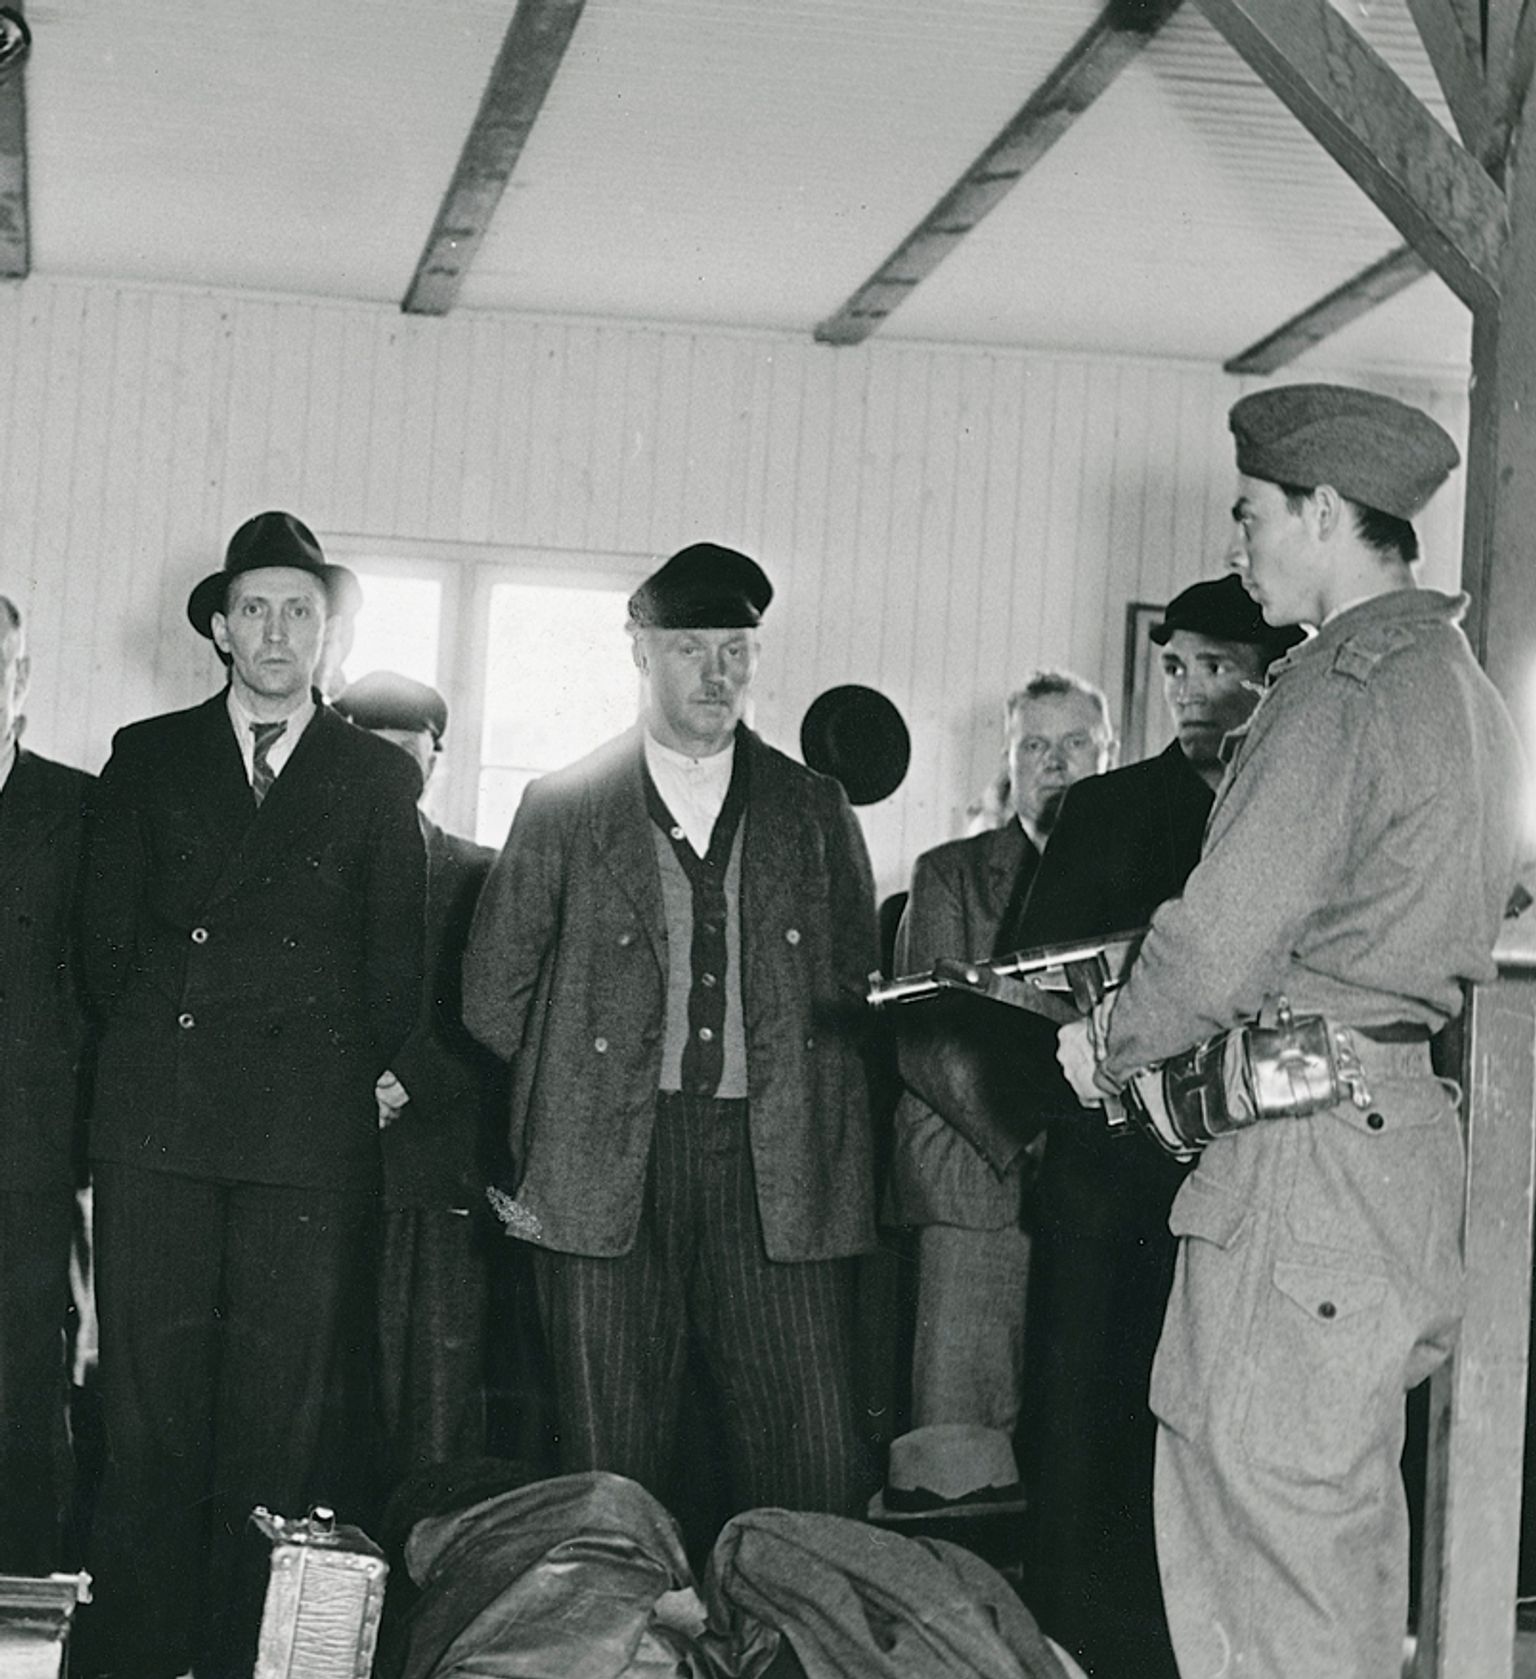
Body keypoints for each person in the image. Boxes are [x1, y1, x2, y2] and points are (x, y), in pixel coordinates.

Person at [1057, 385, 1527, 1679]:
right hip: (1393, 1142)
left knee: (1263, 1550)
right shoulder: (1464, 686)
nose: (1238, 542)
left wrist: (1110, 1044)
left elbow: (1218, 939)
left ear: (1323, 511)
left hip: (1303, 1162)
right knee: (1336, 1544)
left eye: (1251, 513)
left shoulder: (1341, 680)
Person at [462, 541, 879, 1521]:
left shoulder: (813, 809)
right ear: (641, 653)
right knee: (608, 1467)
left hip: (775, 1173)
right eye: (691, 649)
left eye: (737, 649)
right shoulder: (564, 805)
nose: (717, 673)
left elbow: (857, 999)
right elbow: (490, 997)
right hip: (605, 1172)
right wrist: (573, 1097)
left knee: (811, 1459)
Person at [78, 512, 425, 1679]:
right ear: (222, 628)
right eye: (258, 608)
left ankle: (241, 1662)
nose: (279, 632)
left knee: (278, 1423)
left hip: (303, 1144)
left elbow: (396, 971)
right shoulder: (148, 752)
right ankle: (135, 1657)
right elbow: (100, 949)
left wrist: (322, 1080)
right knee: (149, 1422)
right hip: (159, 1130)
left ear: (329, 632)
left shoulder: (377, 775)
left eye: (303, 610)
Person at [1017, 578, 1302, 1679]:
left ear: (1275, 675)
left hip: (1246, 1169)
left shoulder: (1290, 804)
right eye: (1178, 665)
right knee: (1087, 1422)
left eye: (1222, 665)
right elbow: (1032, 987)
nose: (1193, 689)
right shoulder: (1100, 807)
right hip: (1109, 1177)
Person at [882, 672, 1113, 1506]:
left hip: (1099, 1185)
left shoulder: (1144, 870)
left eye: (1075, 745)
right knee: (958, 1459)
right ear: (1009, 759)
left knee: (1081, 1437)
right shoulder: (950, 873)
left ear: (1109, 753)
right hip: (976, 1171)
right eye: (1035, 747)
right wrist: (1034, 1133)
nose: (1055, 765)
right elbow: (930, 1035)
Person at [333, 670, 509, 1486]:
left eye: (411, 754)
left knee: (432, 1412)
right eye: (375, 754)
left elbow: (504, 1006)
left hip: (435, 1182)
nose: (395, 771)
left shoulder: (483, 875)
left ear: (437, 761)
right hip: (318, 1173)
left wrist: (408, 1079)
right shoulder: (301, 870)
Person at [0, 595, 94, 1571]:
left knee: (20, 1396)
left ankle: (21, 1622)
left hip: (22, 1171)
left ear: (20, 679)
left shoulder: (76, 809)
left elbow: (99, 994)